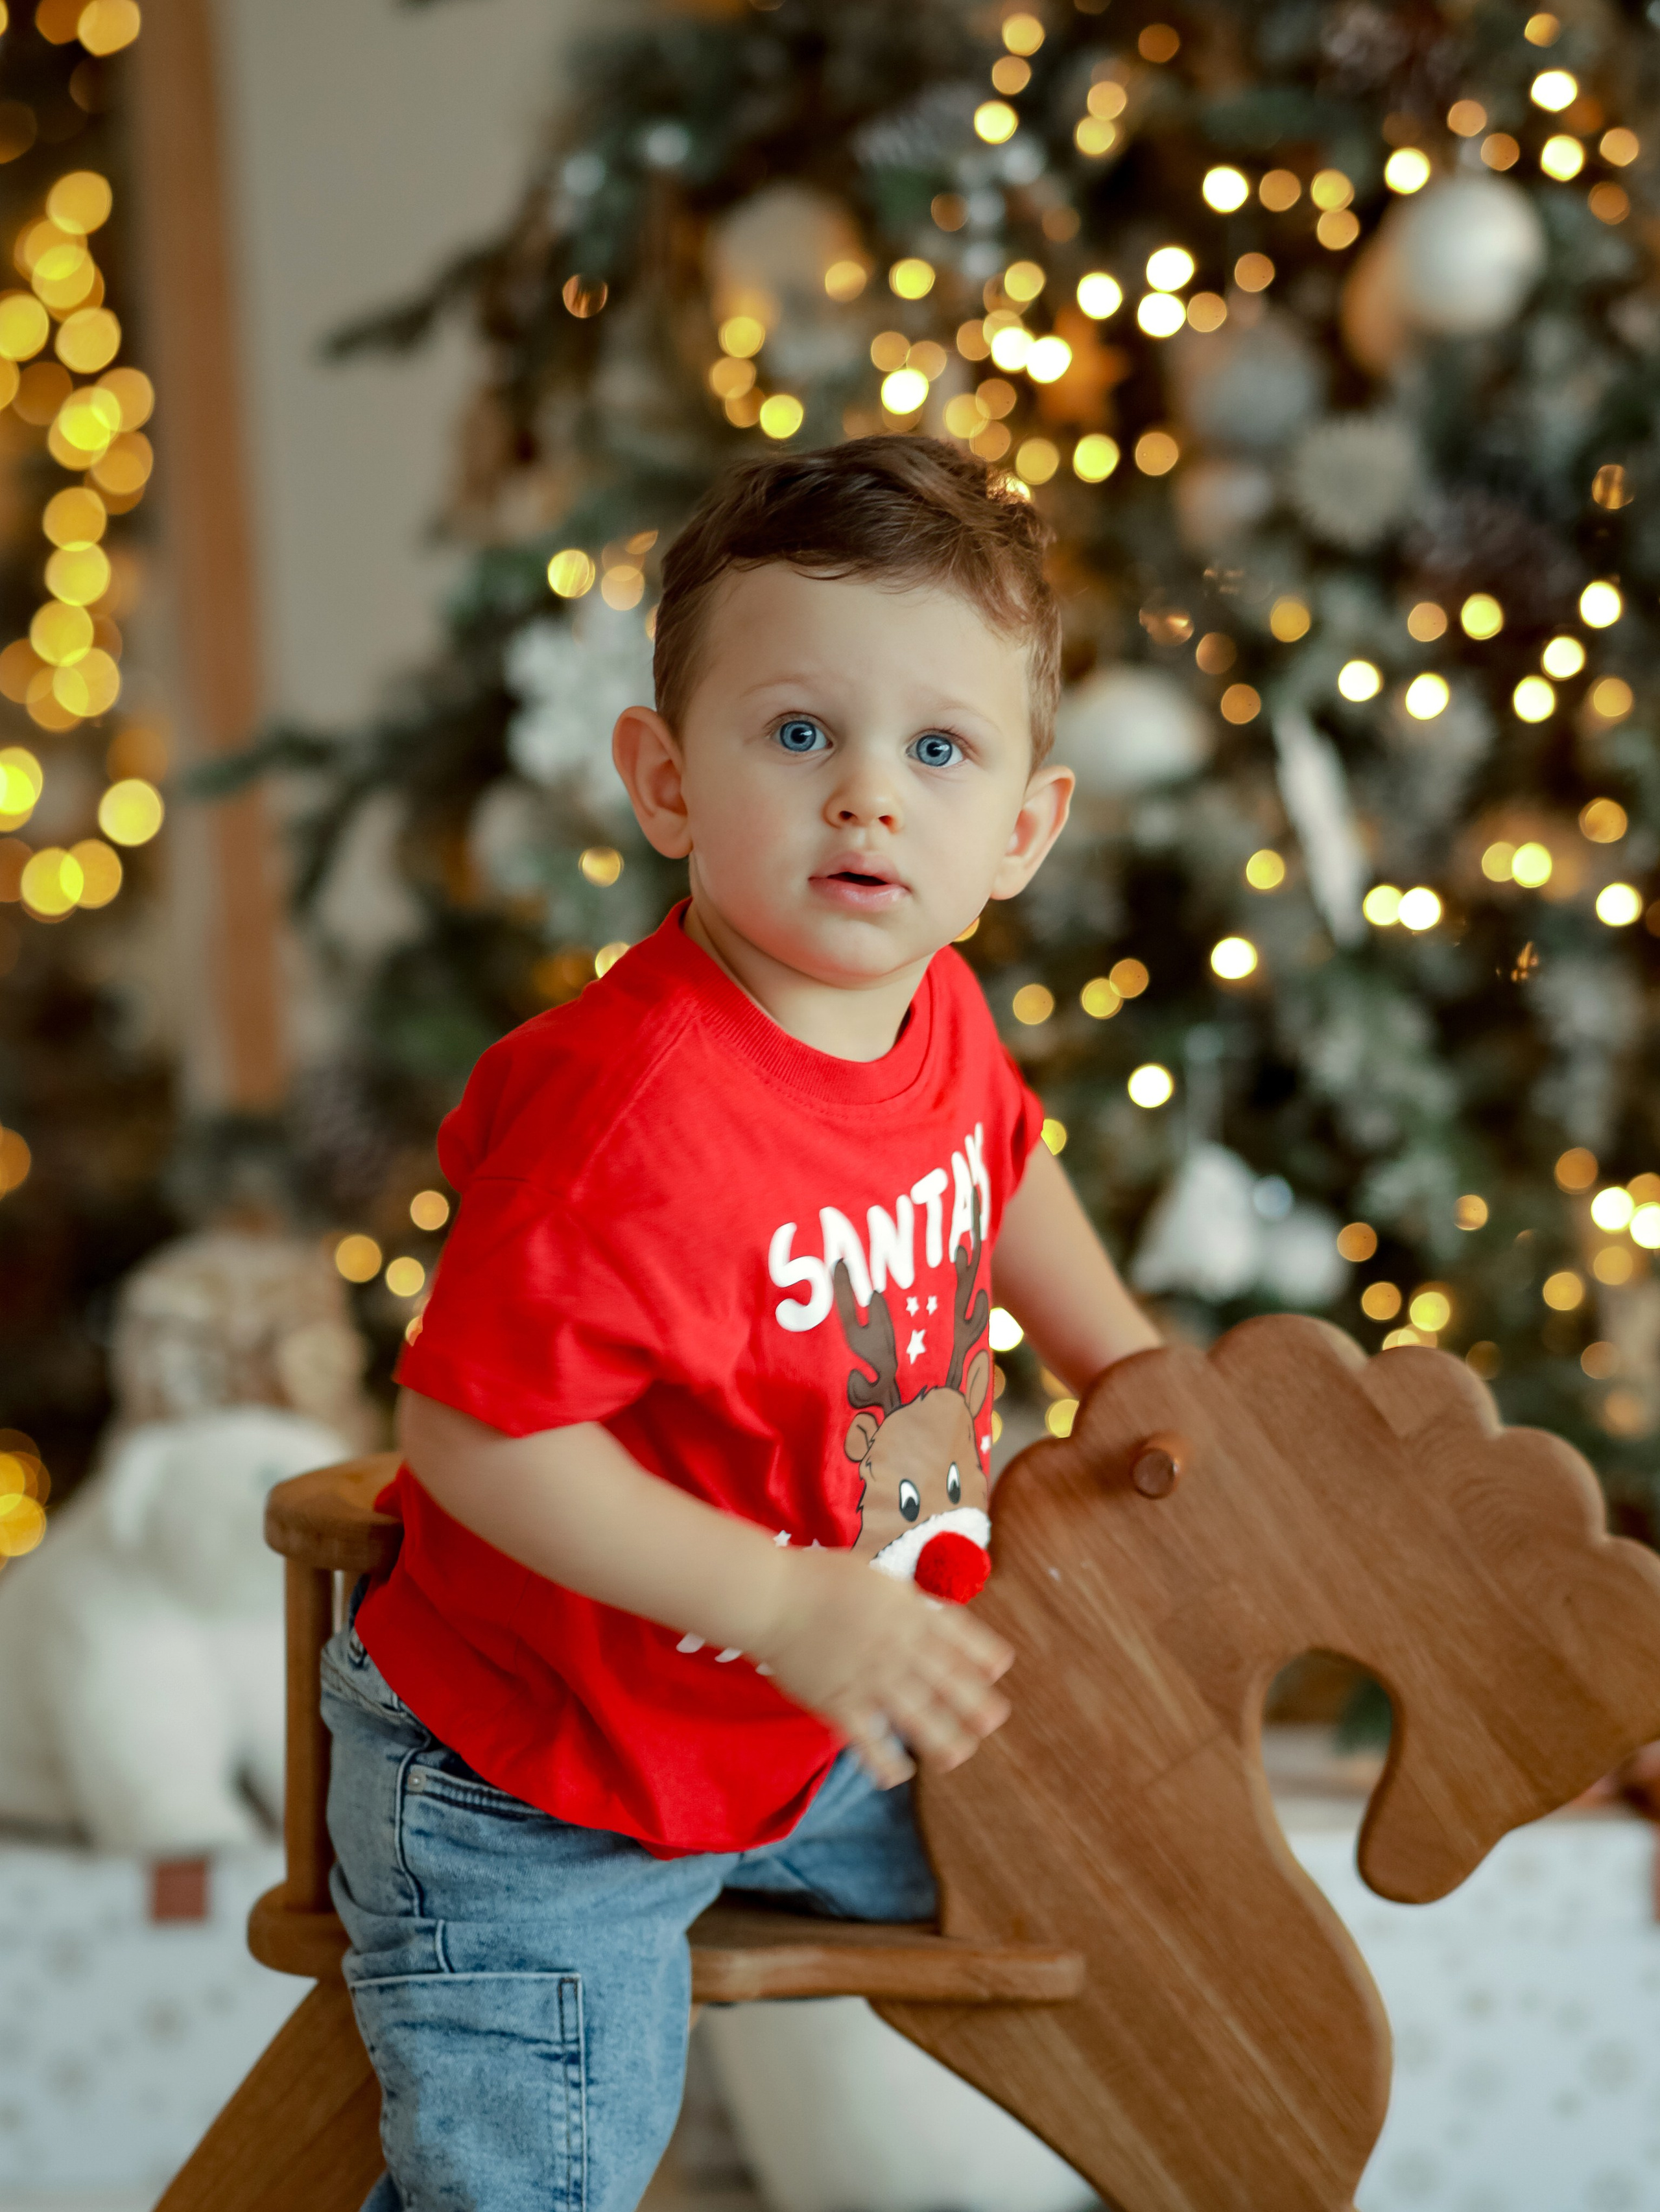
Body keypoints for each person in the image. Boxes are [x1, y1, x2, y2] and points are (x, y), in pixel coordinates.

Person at [322, 436, 1159, 2212]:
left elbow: (1005, 1176)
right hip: (540, 1765)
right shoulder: (636, 1113)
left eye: (938, 750)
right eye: (800, 734)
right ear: (665, 778)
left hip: (808, 1719)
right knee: (537, 2175)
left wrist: (1131, 1364)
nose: (870, 799)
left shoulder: (931, 1008)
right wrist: (783, 1599)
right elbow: (472, 1432)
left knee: (1098, 1867)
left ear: (1022, 826)